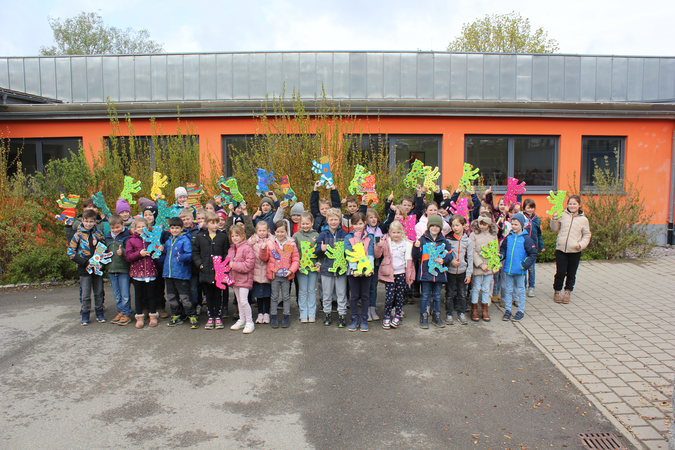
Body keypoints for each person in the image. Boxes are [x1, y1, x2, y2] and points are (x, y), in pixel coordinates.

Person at [412, 214, 454, 329]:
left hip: (439, 274)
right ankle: (424, 316)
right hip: (426, 274)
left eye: (437, 226)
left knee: (436, 295)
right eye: (432, 226)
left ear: (440, 227)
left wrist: (444, 260)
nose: (434, 228)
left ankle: (436, 316)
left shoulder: (444, 241)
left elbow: (451, 255)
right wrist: (416, 247)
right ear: (428, 226)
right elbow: (415, 256)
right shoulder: (422, 240)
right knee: (425, 295)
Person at [67, 209, 106, 325]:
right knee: (85, 294)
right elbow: (71, 252)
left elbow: (104, 249)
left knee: (99, 292)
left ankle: (99, 312)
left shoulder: (98, 233)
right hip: (84, 268)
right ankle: (85, 314)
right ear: (82, 221)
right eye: (87, 221)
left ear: (95, 221)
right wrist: (84, 263)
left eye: (91, 221)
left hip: (97, 267)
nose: (89, 223)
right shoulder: (78, 235)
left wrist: (98, 243)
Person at [550, 195, 591, 304]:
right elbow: (554, 229)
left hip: (575, 251)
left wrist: (581, 245)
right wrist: (554, 218)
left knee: (572, 273)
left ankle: (568, 291)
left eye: (574, 204)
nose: (572, 206)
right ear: (567, 204)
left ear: (579, 205)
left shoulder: (583, 219)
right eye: (570, 203)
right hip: (561, 250)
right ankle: (557, 291)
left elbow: (587, 235)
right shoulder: (562, 215)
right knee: (560, 272)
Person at [192, 212, 229, 329]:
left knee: (218, 295)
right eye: (212, 223)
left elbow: (225, 252)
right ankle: (210, 316)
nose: (215, 225)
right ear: (206, 223)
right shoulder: (200, 236)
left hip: (218, 271)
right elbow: (195, 252)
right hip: (206, 271)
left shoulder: (223, 236)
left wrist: (223, 266)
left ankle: (218, 316)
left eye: (217, 223)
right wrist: (200, 265)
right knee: (208, 295)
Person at [375, 221, 415, 329]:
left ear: (402, 232)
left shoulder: (406, 244)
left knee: (399, 296)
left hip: (401, 274)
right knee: (389, 297)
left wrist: (411, 276)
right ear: (390, 233)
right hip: (390, 274)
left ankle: (397, 315)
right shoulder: (386, 243)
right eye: (393, 232)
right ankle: (387, 316)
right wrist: (379, 245)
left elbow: (410, 263)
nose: (396, 235)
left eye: (398, 232)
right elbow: (377, 254)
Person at [499, 213, 538, 322]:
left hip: (520, 270)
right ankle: (508, 310)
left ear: (522, 225)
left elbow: (533, 253)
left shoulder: (526, 239)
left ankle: (520, 311)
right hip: (509, 269)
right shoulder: (509, 238)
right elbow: (503, 250)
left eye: (516, 224)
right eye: (512, 224)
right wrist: (501, 256)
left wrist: (524, 265)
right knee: (508, 290)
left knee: (520, 290)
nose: (514, 226)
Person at [315, 207, 349, 327]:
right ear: (327, 220)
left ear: (340, 220)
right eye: (331, 219)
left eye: (336, 219)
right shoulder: (323, 234)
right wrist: (321, 249)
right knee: (327, 294)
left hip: (341, 270)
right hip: (326, 269)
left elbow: (348, 252)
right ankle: (327, 314)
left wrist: (347, 263)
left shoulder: (345, 235)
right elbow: (316, 252)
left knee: (341, 293)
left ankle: (342, 315)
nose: (333, 222)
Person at [264, 221, 300, 328]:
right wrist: (262, 250)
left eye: (282, 232)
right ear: (274, 232)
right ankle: (273, 316)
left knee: (286, 297)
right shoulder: (270, 243)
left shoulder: (290, 244)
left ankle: (286, 316)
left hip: (286, 275)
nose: (280, 234)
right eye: (277, 232)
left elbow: (295, 259)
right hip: (274, 275)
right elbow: (264, 258)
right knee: (274, 296)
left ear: (286, 232)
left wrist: (291, 270)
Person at [125, 218, 159, 329]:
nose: (141, 229)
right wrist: (139, 253)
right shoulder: (131, 241)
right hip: (137, 274)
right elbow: (128, 256)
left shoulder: (152, 238)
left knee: (151, 295)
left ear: (148, 228)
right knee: (138, 296)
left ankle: (153, 315)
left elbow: (157, 251)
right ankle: (139, 317)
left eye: (143, 227)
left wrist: (160, 250)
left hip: (150, 272)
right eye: (138, 227)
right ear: (134, 229)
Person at [344, 212, 375, 332]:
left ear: (365, 224)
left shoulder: (370, 237)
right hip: (353, 272)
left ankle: (364, 318)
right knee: (354, 296)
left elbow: (370, 255)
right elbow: (348, 254)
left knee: (365, 295)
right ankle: (354, 318)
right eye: (355, 224)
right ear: (352, 224)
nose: (358, 226)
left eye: (360, 223)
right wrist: (354, 269)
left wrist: (370, 269)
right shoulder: (348, 237)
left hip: (366, 270)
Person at [163, 217, 195, 328]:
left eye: (177, 228)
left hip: (181, 274)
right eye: (172, 228)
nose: (175, 230)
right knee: (171, 296)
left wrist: (181, 257)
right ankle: (176, 315)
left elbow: (190, 254)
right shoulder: (168, 241)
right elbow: (166, 255)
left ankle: (191, 315)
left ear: (181, 228)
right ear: (169, 229)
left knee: (184, 296)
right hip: (169, 274)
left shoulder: (185, 240)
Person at [227, 225, 256, 334]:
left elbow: (248, 265)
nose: (234, 238)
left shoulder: (247, 248)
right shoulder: (231, 249)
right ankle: (242, 319)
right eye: (233, 236)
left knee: (244, 300)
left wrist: (233, 265)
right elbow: (228, 263)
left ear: (243, 236)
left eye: (237, 235)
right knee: (239, 300)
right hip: (235, 279)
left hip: (244, 280)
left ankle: (249, 321)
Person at [445, 215, 473, 326]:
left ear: (464, 225)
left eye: (457, 225)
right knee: (450, 293)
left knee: (462, 294)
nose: (455, 228)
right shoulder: (448, 240)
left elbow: (470, 258)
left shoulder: (468, 241)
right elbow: (445, 254)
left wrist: (469, 273)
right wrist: (451, 261)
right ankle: (449, 313)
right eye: (453, 226)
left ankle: (461, 313)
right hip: (450, 272)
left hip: (462, 272)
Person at [469, 215, 497, 322]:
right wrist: (481, 264)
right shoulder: (473, 235)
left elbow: (495, 249)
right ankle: (474, 309)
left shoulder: (493, 235)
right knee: (476, 287)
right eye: (480, 223)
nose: (482, 226)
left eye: (484, 224)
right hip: (478, 266)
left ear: (489, 224)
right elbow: (472, 250)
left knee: (486, 288)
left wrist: (493, 264)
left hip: (489, 265)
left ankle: (485, 310)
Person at [104, 214, 132, 326]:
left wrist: (123, 252)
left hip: (123, 269)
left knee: (125, 294)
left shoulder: (127, 236)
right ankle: (120, 311)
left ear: (122, 224)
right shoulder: (108, 238)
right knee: (116, 294)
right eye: (113, 228)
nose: (115, 230)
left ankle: (126, 313)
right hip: (112, 269)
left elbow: (130, 252)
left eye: (117, 227)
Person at [293, 212, 320, 323]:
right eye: (303, 224)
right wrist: (297, 264)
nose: (305, 226)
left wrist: (319, 263)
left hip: (313, 267)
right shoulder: (296, 236)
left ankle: (312, 313)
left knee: (312, 290)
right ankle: (303, 313)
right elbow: (294, 252)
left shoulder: (316, 235)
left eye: (307, 223)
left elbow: (319, 252)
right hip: (301, 268)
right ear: (300, 224)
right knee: (303, 291)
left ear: (312, 223)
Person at [248, 222, 274, 324]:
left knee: (267, 294)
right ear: (256, 231)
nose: (262, 233)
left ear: (268, 231)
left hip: (267, 271)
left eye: (264, 230)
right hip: (257, 272)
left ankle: (267, 313)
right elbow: (247, 247)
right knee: (258, 295)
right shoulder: (253, 240)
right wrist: (252, 242)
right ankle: (260, 313)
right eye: (260, 231)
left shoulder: (271, 240)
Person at [522, 199, 546, 297]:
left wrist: (541, 245)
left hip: (533, 248)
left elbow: (539, 234)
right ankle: (523, 286)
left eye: (532, 207)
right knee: (523, 267)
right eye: (528, 207)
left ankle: (531, 287)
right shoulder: (522, 217)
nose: (530, 209)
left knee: (531, 269)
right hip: (523, 247)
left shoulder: (536, 219)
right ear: (524, 208)